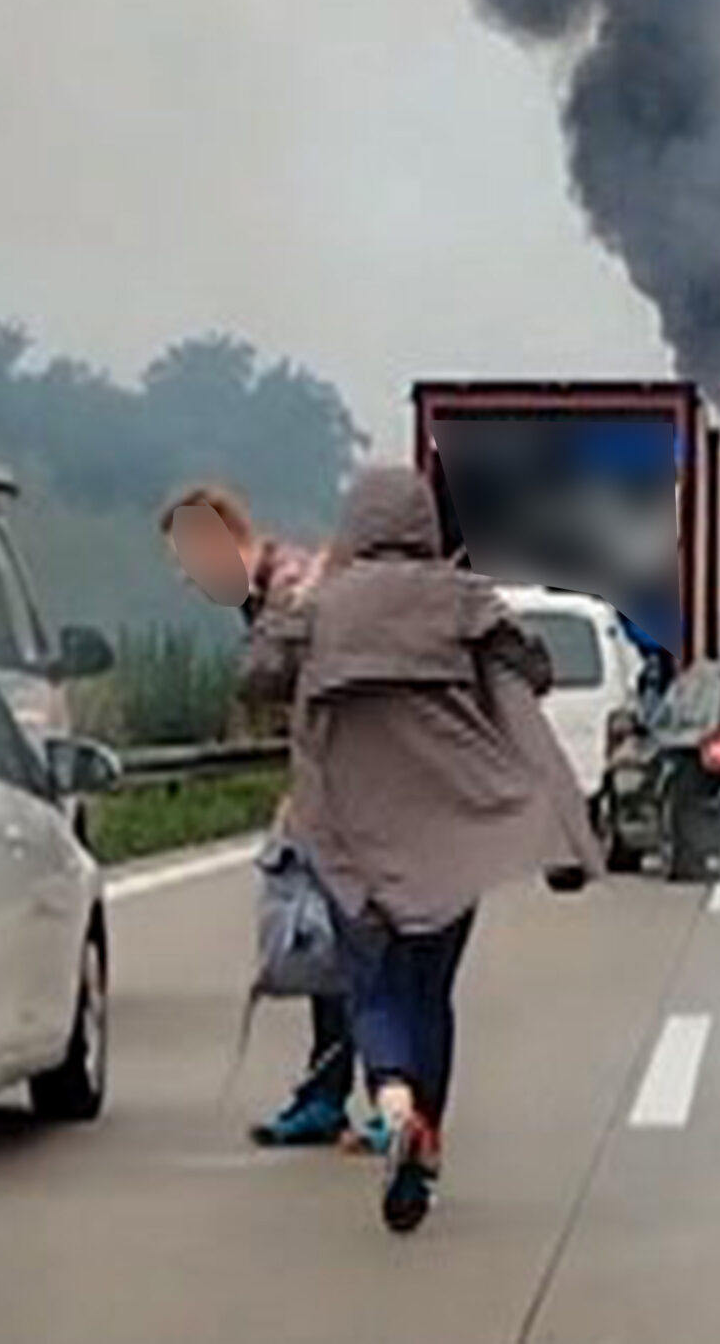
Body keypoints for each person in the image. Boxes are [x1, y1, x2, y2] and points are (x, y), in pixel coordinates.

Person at [241, 465, 600, 1233]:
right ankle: (425, 1136)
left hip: (346, 841)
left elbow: (258, 677)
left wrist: (303, 606)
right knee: (430, 991)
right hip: (446, 833)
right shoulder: (463, 599)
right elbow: (532, 668)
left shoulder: (324, 609)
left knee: (372, 989)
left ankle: (394, 1102)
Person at [157, 485, 383, 1155]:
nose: (186, 577)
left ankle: (388, 1094)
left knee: (359, 948)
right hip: (329, 791)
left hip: (357, 795)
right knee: (323, 946)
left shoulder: (289, 590)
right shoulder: (271, 592)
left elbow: (297, 688)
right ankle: (328, 1093)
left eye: (187, 558)